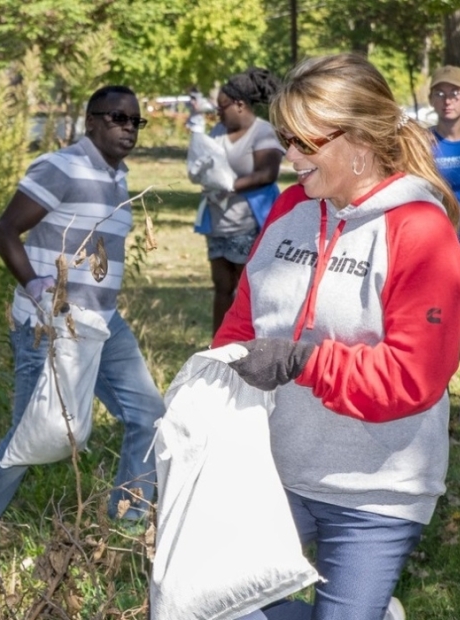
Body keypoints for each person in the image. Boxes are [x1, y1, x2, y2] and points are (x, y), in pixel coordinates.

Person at [215, 53, 460, 620]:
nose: (290, 156)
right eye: (283, 138)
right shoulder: (290, 207)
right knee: (206, 602)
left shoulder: (420, 228)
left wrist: (301, 361)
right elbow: (242, 324)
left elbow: (413, 379)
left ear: (358, 141)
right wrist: (211, 386)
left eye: (304, 141)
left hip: (375, 489)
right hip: (273, 468)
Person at [0, 85, 166, 547]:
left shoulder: (119, 176)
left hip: (104, 323)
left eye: (135, 121)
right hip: (51, 324)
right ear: (91, 121)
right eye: (117, 118)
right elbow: (4, 230)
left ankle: (125, 524)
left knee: (148, 414)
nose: (128, 129)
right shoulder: (60, 167)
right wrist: (34, 285)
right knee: (32, 437)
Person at [199, 68, 285, 334]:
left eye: (222, 107)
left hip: (251, 222)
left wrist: (230, 185)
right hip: (218, 221)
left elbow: (267, 174)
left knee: (249, 290)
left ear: (240, 104)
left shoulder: (263, 133)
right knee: (221, 287)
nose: (218, 113)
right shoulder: (217, 131)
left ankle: (249, 344)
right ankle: (217, 345)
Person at [429, 65, 460, 200]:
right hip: (439, 218)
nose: (447, 101)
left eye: (454, 93)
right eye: (440, 94)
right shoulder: (420, 143)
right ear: (431, 99)